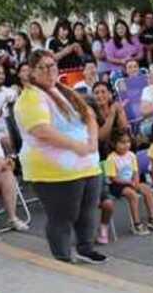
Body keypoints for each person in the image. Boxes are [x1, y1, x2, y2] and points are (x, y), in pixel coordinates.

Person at [14, 49, 105, 264]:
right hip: (54, 170)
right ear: (32, 72)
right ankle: (62, 256)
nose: (49, 70)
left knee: (88, 211)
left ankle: (86, 247)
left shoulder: (65, 90)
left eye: (52, 65)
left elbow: (89, 115)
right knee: (63, 216)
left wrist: (92, 141)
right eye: (42, 67)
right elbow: (41, 130)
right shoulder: (30, 97)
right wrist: (75, 145)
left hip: (87, 164)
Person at [105, 132, 153, 234]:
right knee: (133, 195)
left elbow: (135, 171)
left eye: (128, 142)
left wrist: (136, 181)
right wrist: (129, 182)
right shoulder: (111, 158)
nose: (126, 145)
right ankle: (136, 224)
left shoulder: (131, 155)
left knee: (147, 190)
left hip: (131, 181)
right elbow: (113, 178)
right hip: (117, 185)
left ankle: (152, 218)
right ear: (114, 144)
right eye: (122, 142)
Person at [92, 81, 128, 160]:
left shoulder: (116, 106)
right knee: (106, 146)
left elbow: (124, 129)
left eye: (103, 92)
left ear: (109, 94)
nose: (100, 95)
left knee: (127, 141)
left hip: (118, 144)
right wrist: (112, 114)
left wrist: (120, 112)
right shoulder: (91, 112)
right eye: (96, 93)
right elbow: (101, 138)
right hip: (101, 148)